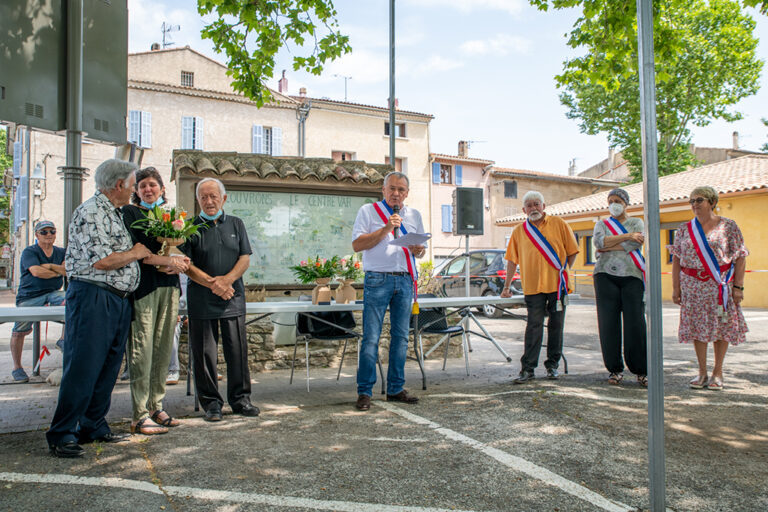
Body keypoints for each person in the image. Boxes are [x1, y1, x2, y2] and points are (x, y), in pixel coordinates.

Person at [46, 159, 152, 458]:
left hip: (116, 299)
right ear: (119, 185)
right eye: (132, 184)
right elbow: (102, 260)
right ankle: (62, 432)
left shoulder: (114, 213)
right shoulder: (91, 212)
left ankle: (92, 424)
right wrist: (136, 253)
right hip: (94, 296)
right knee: (83, 365)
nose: (133, 191)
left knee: (108, 366)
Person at [179, 178, 260, 421]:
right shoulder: (189, 227)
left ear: (223, 198)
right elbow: (187, 265)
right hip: (202, 299)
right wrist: (215, 285)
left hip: (232, 297)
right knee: (205, 354)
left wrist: (226, 282)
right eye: (203, 197)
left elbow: (244, 258)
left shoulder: (236, 223)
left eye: (213, 196)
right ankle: (212, 404)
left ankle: (241, 400)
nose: (209, 201)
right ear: (198, 200)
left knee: (237, 351)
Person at [122, 167, 190, 435]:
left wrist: (181, 263)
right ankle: (139, 414)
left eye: (152, 185)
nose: (148, 189)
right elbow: (141, 253)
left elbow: (183, 251)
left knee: (163, 351)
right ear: (136, 191)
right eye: (142, 186)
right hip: (145, 289)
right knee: (142, 351)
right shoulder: (131, 214)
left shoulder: (172, 216)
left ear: (162, 188)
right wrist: (168, 260)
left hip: (170, 288)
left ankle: (156, 406)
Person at [351, 171, 427, 411]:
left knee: (402, 338)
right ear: (383, 190)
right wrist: (386, 228)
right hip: (377, 279)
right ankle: (365, 392)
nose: (396, 194)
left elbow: (421, 251)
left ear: (407, 193)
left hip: (405, 280)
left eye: (401, 190)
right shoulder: (368, 211)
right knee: (371, 338)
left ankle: (395, 388)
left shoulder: (414, 215)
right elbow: (357, 245)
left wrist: (418, 250)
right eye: (392, 189)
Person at [671, 186, 748, 391]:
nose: (695, 204)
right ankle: (702, 372)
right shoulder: (684, 229)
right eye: (692, 201)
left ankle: (718, 372)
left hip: (720, 285)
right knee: (697, 328)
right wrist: (676, 288)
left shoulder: (728, 227)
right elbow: (677, 259)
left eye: (700, 200)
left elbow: (740, 257)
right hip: (692, 286)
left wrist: (738, 287)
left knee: (721, 326)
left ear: (712, 202)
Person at [501, 191, 579, 384]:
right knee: (533, 327)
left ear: (544, 206)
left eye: (537, 204)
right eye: (529, 205)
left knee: (556, 326)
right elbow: (511, 260)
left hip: (557, 285)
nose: (533, 208)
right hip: (533, 287)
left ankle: (552, 366)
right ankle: (528, 369)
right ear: (523, 209)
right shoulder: (519, 231)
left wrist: (564, 270)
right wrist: (507, 286)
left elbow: (572, 251)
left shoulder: (559, 224)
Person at [592, 189, 648, 387]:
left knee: (635, 322)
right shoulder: (602, 223)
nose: (613, 204)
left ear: (626, 203)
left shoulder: (637, 223)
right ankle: (614, 369)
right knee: (608, 323)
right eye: (610, 201)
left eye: (617, 201)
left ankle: (641, 369)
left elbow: (635, 245)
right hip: (604, 275)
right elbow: (598, 242)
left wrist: (608, 246)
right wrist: (626, 237)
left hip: (632, 275)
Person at [10, 220, 66, 383]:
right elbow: (36, 272)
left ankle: (63, 339)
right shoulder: (29, 252)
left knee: (73, 303)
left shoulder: (61, 251)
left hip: (53, 293)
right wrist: (57, 271)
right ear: (36, 235)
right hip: (30, 296)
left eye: (52, 231)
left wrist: (48, 266)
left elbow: (67, 270)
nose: (48, 235)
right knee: (19, 330)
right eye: (44, 232)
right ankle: (17, 367)